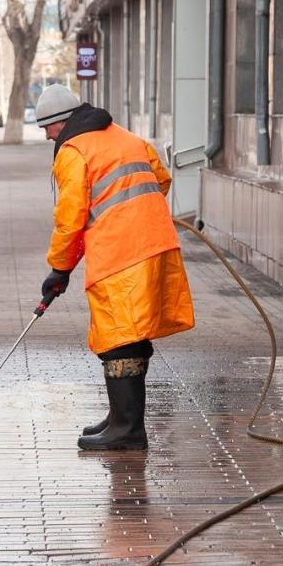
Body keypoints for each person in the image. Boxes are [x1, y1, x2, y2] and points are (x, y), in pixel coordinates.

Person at [36, 85, 194, 451]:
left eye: (48, 127)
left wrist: (59, 268)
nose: (47, 136)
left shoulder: (74, 151)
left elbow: (70, 217)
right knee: (133, 333)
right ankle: (120, 418)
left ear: (62, 122)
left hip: (121, 255)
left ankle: (127, 429)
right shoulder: (125, 136)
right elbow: (162, 179)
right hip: (155, 246)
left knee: (118, 336)